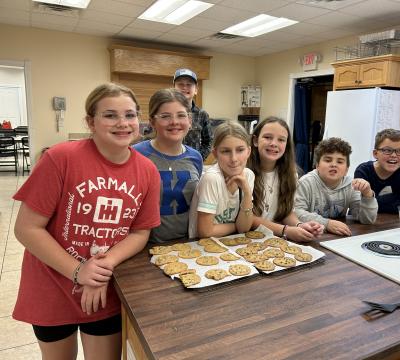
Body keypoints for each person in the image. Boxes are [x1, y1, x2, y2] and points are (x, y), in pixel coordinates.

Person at [12, 83, 160, 359]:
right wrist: (79, 271)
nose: (122, 123)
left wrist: (102, 267)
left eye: (129, 115)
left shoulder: (148, 171)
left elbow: (141, 232)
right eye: (110, 115)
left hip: (103, 288)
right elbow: (27, 228)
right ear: (90, 122)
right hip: (51, 285)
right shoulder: (60, 158)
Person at [133, 89, 203, 242]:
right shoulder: (136, 155)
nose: (174, 122)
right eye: (165, 116)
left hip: (187, 243)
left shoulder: (195, 158)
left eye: (181, 115)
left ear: (190, 120)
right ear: (152, 122)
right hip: (143, 245)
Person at [247, 116, 324, 242]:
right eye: (267, 137)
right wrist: (285, 231)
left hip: (270, 239)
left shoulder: (291, 174)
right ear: (255, 140)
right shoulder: (245, 173)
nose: (274, 144)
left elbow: (286, 212)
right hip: (244, 238)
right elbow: (249, 218)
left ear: (287, 145)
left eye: (281, 140)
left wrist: (300, 225)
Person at [295, 137, 378, 236]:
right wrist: (327, 223)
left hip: (338, 236)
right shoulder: (305, 182)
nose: (334, 164)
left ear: (346, 169)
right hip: (311, 234)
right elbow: (296, 213)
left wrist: (367, 195)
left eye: (340, 162)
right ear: (317, 165)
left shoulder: (351, 185)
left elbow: (367, 220)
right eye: (328, 160)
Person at [189, 121, 254, 238]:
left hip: (230, 244)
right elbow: (205, 232)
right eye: (226, 151)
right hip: (200, 246)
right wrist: (236, 225)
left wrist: (248, 194)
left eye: (240, 150)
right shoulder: (212, 178)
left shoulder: (248, 176)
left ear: (248, 151)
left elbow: (244, 228)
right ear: (215, 153)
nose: (234, 159)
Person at [354, 128, 400, 213]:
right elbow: (360, 206)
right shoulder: (363, 170)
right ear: (375, 154)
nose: (394, 155)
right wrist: (395, 199)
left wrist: (372, 198)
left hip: (393, 222)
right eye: (387, 150)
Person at [173, 68, 212, 161]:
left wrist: (199, 158)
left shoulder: (202, 115)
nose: (185, 87)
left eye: (189, 84)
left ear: (196, 90)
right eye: (180, 84)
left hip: (192, 164)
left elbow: (209, 141)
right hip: (168, 161)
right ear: (173, 88)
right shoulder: (164, 111)